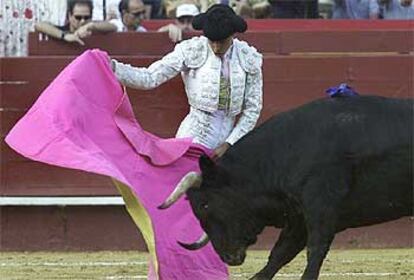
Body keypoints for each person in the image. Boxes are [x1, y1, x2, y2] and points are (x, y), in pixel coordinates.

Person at [111, 3, 263, 159]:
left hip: (230, 140)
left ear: (233, 35)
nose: (216, 47)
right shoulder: (191, 50)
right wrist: (113, 68)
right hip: (193, 137)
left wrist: (230, 143)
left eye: (222, 41)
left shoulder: (248, 57)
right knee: (184, 181)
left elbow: (252, 109)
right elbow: (149, 78)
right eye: (212, 41)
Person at [34, 0, 117, 46]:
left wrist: (90, 26)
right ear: (70, 16)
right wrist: (65, 36)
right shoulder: (63, 30)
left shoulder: (94, 28)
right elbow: (39, 25)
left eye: (86, 17)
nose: (82, 21)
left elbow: (113, 27)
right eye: (78, 17)